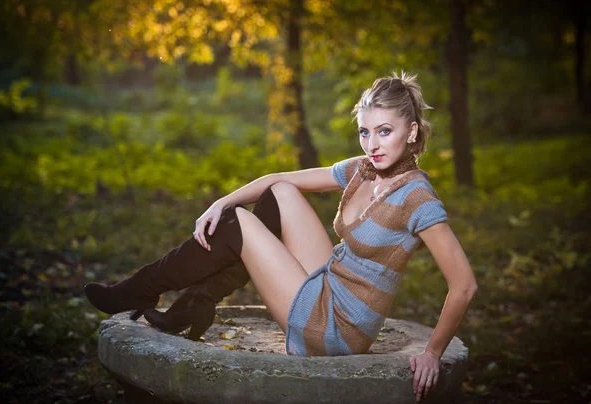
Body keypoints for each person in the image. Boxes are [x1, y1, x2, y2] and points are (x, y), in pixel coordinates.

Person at [84, 71, 477, 403]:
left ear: (411, 132)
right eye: (365, 132)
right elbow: (280, 179)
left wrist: (432, 353)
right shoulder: (363, 170)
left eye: (385, 132)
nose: (372, 145)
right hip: (330, 282)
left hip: (338, 328)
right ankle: (194, 303)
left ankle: (144, 288)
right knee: (278, 195)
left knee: (239, 224)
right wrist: (220, 202)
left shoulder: (417, 197)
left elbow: (463, 285)